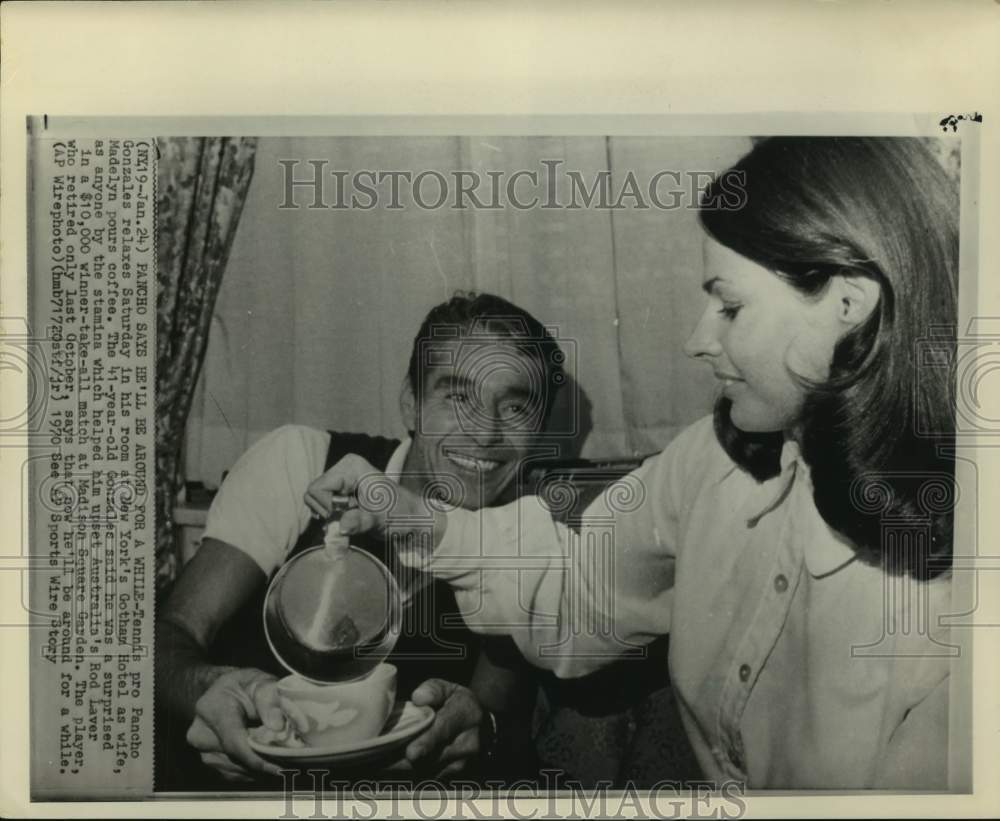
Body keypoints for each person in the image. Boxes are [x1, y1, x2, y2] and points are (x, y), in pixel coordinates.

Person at [309, 137, 960, 789]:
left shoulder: (957, 582)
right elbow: (574, 589)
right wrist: (407, 513)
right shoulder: (708, 464)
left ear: (851, 304)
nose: (697, 340)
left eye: (730, 307)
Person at [154, 291, 564, 786]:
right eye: (458, 397)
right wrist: (207, 687)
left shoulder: (526, 545)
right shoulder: (302, 460)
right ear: (411, 403)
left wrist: (481, 733)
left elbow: (497, 719)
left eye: (516, 408)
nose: (485, 432)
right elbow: (171, 632)